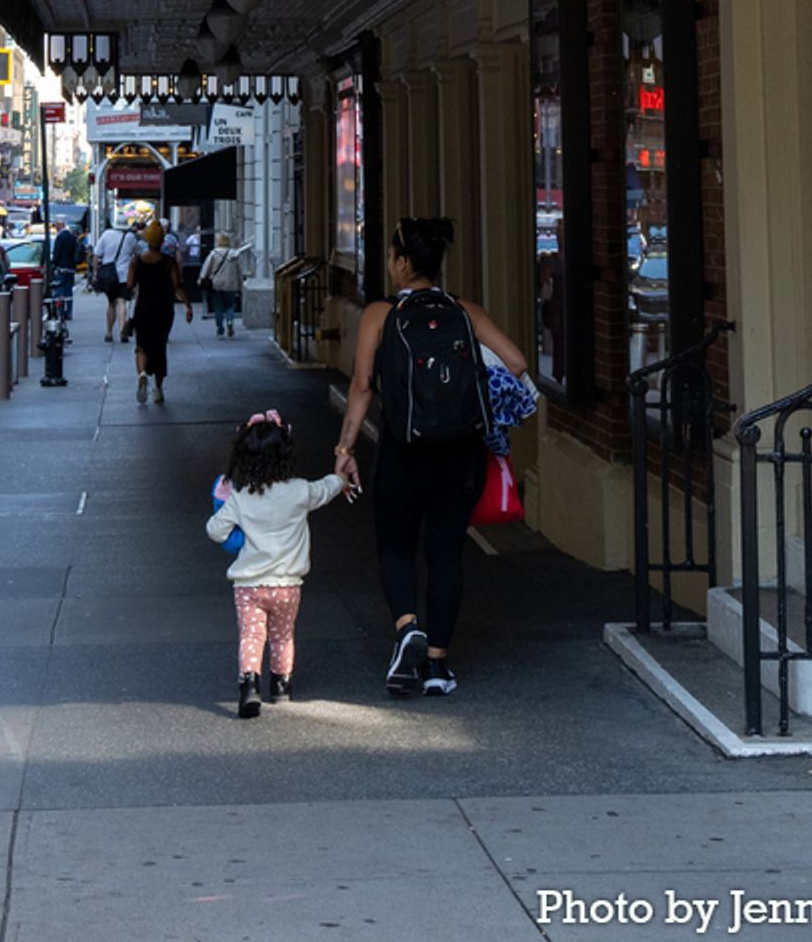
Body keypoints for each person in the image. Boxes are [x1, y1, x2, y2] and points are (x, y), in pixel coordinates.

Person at [336, 216, 530, 701]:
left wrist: (345, 449)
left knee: (395, 548)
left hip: (403, 450)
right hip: (460, 453)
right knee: (446, 553)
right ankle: (438, 665)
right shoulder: (465, 311)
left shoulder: (380, 314)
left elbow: (362, 385)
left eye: (391, 256)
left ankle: (408, 629)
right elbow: (517, 363)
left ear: (403, 263)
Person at [205, 409, 347, 718]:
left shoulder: (241, 498)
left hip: (249, 586)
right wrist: (341, 478)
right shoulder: (299, 491)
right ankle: (281, 685)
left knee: (251, 636)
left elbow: (215, 530)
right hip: (287, 585)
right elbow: (325, 489)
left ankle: (249, 685)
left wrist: (234, 526)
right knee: (283, 636)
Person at [127, 219, 192, 405]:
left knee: (141, 346)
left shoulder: (136, 261)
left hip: (143, 308)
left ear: (147, 239)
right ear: (162, 241)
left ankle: (142, 374)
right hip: (163, 309)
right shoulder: (168, 262)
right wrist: (187, 305)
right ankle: (158, 389)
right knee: (159, 347)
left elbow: (130, 284)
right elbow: (177, 285)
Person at [205, 232, 253, 337]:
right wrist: (240, 285)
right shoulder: (234, 255)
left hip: (216, 285)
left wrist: (201, 280)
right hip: (231, 284)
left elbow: (206, 269)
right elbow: (239, 271)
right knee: (230, 305)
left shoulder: (213, 254)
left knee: (218, 307)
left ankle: (220, 328)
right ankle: (230, 321)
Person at [93, 217, 133, 341]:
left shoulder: (106, 234)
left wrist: (95, 273)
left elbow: (96, 255)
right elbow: (138, 253)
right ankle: (122, 331)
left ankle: (109, 332)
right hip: (124, 275)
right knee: (122, 302)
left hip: (109, 276)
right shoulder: (130, 237)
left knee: (111, 304)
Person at [50, 221, 80, 319]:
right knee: (69, 290)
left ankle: (61, 311)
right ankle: (69, 312)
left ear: (60, 226)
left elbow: (57, 253)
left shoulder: (60, 237)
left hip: (61, 267)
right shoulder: (72, 237)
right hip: (71, 267)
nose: (55, 228)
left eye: (56, 226)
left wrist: (54, 264)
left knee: (60, 289)